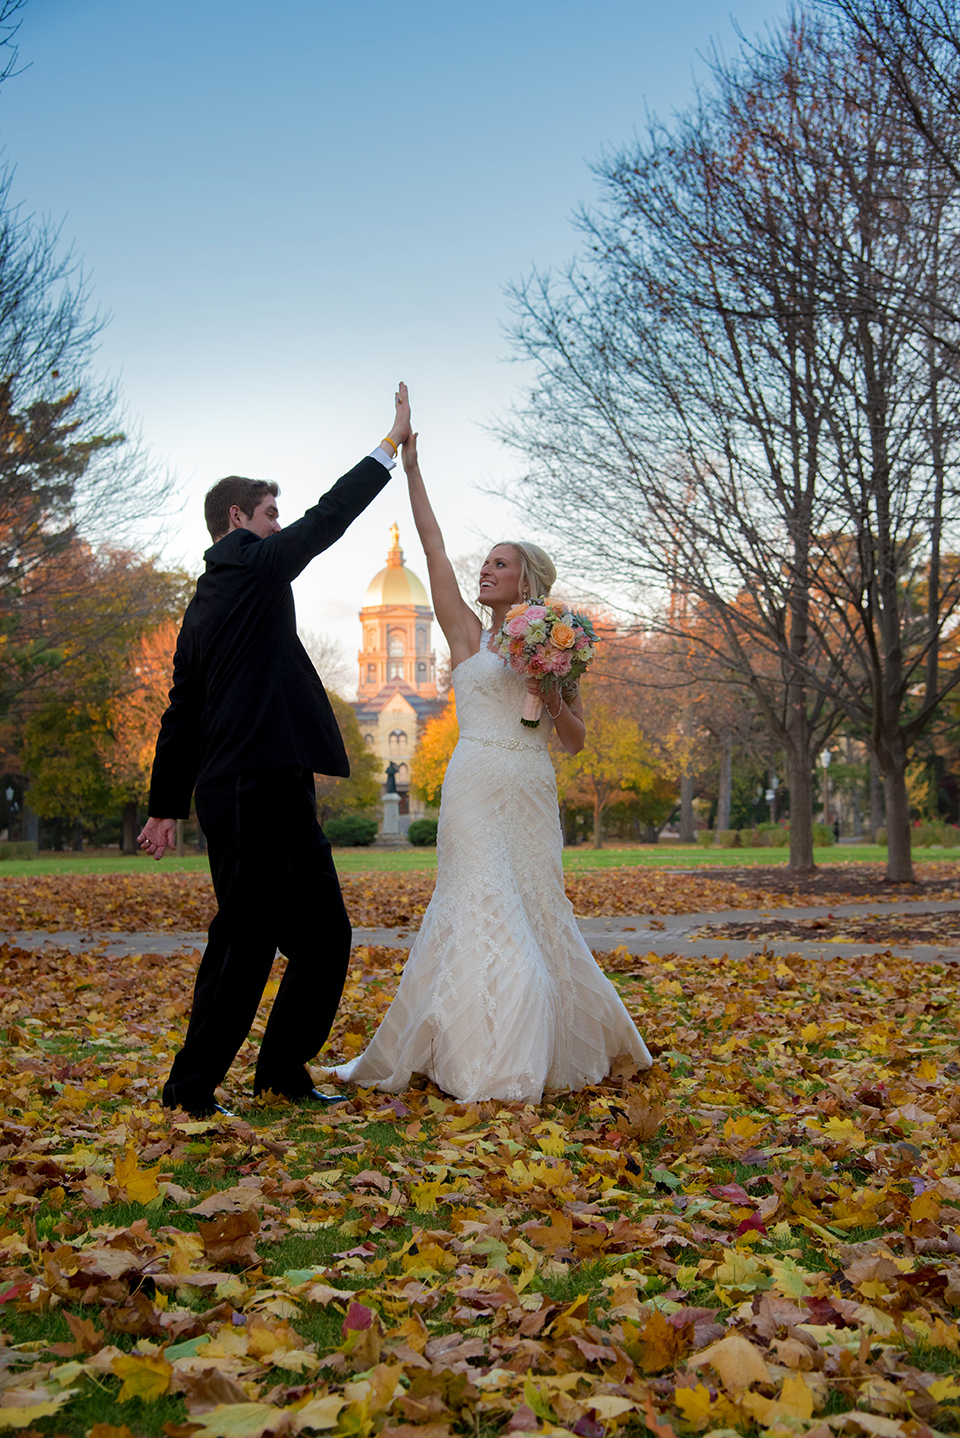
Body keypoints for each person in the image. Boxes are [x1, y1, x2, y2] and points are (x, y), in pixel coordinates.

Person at [329, 432, 652, 1104]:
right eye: (486, 565)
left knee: (537, 909)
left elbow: (576, 741)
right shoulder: (463, 635)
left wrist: (554, 691)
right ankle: (490, 1061)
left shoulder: (559, 644)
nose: (485, 572)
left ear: (525, 580)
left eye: (498, 565)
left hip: (531, 790)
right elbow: (433, 549)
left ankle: (542, 1045)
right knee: (482, 909)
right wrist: (412, 468)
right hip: (475, 788)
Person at [138, 384, 412, 1119]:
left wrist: (164, 807)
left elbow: (181, 714)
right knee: (246, 943)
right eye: (269, 514)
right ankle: (189, 1091)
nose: (280, 526)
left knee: (325, 937)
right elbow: (326, 521)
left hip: (282, 784)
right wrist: (387, 449)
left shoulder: (216, 601)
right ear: (239, 521)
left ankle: (281, 1073)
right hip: (242, 792)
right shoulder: (247, 571)